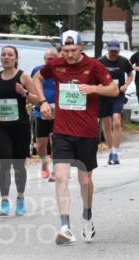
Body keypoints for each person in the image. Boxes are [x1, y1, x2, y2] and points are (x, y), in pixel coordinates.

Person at [32, 30, 118, 246]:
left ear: (81, 47)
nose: (69, 54)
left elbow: (114, 89)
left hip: (87, 131)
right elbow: (37, 78)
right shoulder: (56, 65)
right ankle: (65, 227)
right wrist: (42, 101)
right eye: (65, 50)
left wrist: (93, 88)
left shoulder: (94, 66)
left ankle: (87, 217)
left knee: (85, 180)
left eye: (73, 50)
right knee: (60, 177)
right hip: (61, 131)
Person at [0, 46, 37, 216]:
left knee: (18, 165)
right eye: (3, 54)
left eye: (10, 55)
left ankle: (21, 198)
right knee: (4, 162)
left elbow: (37, 99)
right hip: (1, 126)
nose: (6, 57)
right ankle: (4, 201)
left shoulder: (23, 76)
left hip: (20, 127)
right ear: (0, 58)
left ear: (16, 58)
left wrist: (24, 92)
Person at [97, 40, 134, 165]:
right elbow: (94, 77)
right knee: (106, 125)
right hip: (103, 96)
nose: (113, 53)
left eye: (116, 51)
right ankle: (110, 151)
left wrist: (126, 85)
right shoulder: (100, 61)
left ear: (119, 50)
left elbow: (130, 74)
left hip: (117, 95)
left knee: (117, 121)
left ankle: (115, 151)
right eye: (111, 51)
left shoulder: (123, 61)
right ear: (107, 50)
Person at [30, 47, 60, 180]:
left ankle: (55, 169)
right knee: (40, 143)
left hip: (58, 111)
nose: (49, 61)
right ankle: (44, 163)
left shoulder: (61, 71)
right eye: (47, 59)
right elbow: (31, 88)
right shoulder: (37, 71)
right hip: (40, 110)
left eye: (52, 59)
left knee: (55, 140)